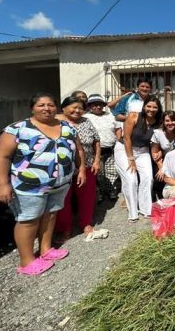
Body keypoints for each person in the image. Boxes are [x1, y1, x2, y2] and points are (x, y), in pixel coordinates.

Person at [0, 93, 85, 275]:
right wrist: (3, 184)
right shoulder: (18, 129)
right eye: (41, 105)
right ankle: (26, 261)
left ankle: (45, 249)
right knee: (28, 220)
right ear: (32, 108)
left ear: (56, 108)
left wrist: (81, 169)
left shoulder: (67, 127)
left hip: (59, 184)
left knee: (50, 215)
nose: (46, 108)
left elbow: (79, 150)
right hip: (29, 185)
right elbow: (1, 157)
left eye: (50, 105)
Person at [55, 97, 104, 243]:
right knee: (64, 199)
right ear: (63, 107)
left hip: (88, 165)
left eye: (80, 108)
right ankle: (65, 229)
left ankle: (86, 224)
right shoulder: (55, 122)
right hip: (63, 168)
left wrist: (96, 160)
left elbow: (96, 141)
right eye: (74, 107)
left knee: (87, 197)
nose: (77, 110)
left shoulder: (86, 121)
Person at [117, 96, 163, 222]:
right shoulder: (133, 116)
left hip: (143, 151)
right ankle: (133, 213)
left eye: (155, 107)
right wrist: (131, 159)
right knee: (131, 180)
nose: (151, 109)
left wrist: (158, 151)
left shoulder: (158, 122)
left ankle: (146, 209)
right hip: (125, 150)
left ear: (158, 109)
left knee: (148, 178)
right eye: (149, 106)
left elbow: (156, 140)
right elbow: (126, 138)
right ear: (144, 107)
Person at [85, 94, 118, 201]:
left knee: (112, 172)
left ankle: (110, 189)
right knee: (99, 173)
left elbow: (117, 129)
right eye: (95, 105)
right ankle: (100, 192)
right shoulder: (86, 118)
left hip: (110, 149)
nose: (98, 107)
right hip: (94, 151)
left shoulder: (110, 115)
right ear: (90, 106)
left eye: (100, 105)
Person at [151, 110, 175, 200]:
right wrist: (162, 168)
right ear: (163, 121)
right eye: (167, 121)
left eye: (173, 120)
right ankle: (158, 199)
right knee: (160, 177)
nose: (170, 123)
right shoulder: (158, 133)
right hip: (161, 161)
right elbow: (155, 153)